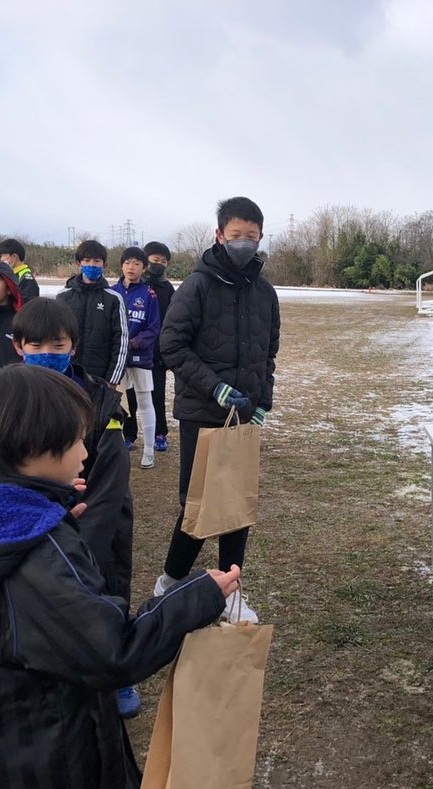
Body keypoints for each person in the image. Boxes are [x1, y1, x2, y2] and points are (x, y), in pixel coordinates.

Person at [0, 364, 239, 789]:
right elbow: (113, 651)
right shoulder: (37, 556)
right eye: (75, 442)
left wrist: (50, 508)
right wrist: (195, 596)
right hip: (52, 787)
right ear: (32, 451)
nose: (86, 452)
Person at [11, 297, 138, 718]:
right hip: (32, 522)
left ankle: (116, 674)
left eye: (58, 345)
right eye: (36, 346)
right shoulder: (6, 397)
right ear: (18, 346)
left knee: (104, 591)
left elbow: (111, 477)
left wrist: (82, 541)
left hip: (98, 520)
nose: (47, 354)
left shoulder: (101, 401)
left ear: (74, 347)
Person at [155, 196, 280, 625]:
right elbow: (171, 345)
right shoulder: (198, 285)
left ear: (260, 237)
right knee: (199, 504)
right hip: (202, 412)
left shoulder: (265, 293)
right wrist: (216, 387)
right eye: (235, 235)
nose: (243, 242)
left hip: (244, 414)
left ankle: (230, 590)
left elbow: (268, 354)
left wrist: (262, 402)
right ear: (220, 235)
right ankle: (170, 581)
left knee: (237, 505)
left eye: (251, 236)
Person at [111, 247, 161, 467]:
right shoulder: (112, 292)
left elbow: (153, 328)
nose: (131, 267)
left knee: (144, 401)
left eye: (136, 263)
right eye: (127, 263)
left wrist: (134, 343)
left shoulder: (149, 295)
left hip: (140, 357)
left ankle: (149, 450)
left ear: (144, 268)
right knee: (116, 403)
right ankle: (115, 450)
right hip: (117, 358)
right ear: (121, 266)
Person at [58, 239, 129, 386]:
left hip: (100, 378)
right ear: (79, 264)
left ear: (104, 265)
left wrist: (113, 379)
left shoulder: (114, 299)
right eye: (87, 260)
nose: (92, 265)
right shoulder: (63, 296)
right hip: (67, 375)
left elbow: (121, 341)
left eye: (97, 261)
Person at [131, 240, 175, 451]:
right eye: (156, 259)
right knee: (130, 396)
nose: (159, 264)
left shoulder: (168, 289)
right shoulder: (133, 286)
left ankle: (160, 433)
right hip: (131, 351)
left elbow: (173, 321)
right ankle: (129, 433)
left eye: (164, 261)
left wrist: (167, 351)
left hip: (156, 353)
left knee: (157, 395)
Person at [0, 237, 39, 302]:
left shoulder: (26, 279)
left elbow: (28, 304)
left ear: (14, 257)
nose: (1, 259)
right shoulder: (9, 273)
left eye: (3, 255)